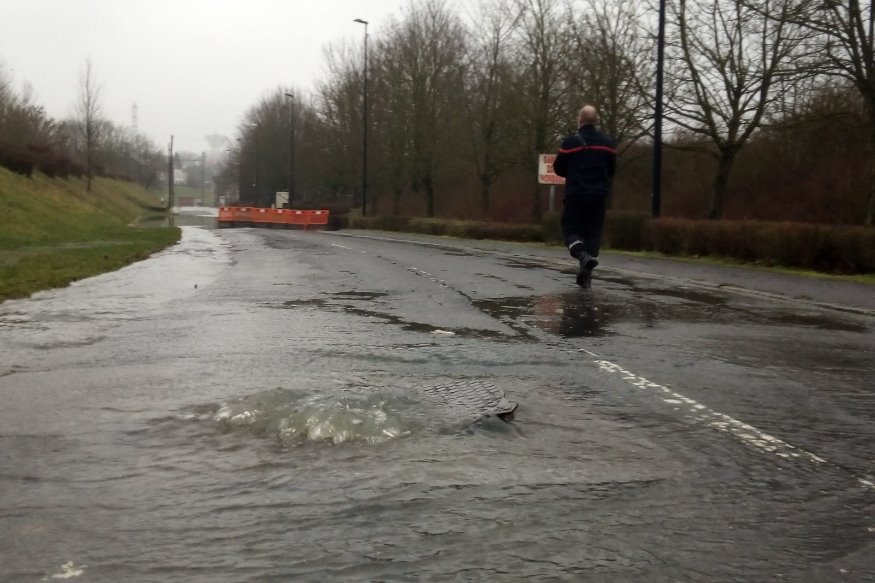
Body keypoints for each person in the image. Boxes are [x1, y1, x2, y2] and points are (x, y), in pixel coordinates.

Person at [553, 105, 616, 288]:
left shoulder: (570, 143)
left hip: (576, 194)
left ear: (579, 120)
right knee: (593, 233)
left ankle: (582, 256)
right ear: (596, 121)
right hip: (599, 196)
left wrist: (574, 172)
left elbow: (558, 168)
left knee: (570, 230)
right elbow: (612, 169)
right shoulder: (608, 144)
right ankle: (586, 272)